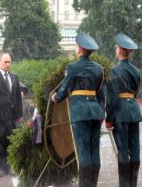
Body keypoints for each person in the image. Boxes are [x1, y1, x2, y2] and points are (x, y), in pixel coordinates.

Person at [51, 32, 105, 187]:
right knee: (94, 150)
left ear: (80, 49)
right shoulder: (98, 69)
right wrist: (102, 112)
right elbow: (101, 93)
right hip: (95, 112)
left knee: (83, 152)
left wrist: (56, 97)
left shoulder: (73, 67)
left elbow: (65, 88)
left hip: (80, 112)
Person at [105, 34, 142, 187]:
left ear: (120, 51)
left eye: (116, 48)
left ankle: (124, 185)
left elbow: (112, 98)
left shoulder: (113, 71)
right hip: (134, 112)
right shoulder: (136, 71)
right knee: (135, 150)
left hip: (120, 113)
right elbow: (136, 93)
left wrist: (109, 118)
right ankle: (132, 184)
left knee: (122, 151)